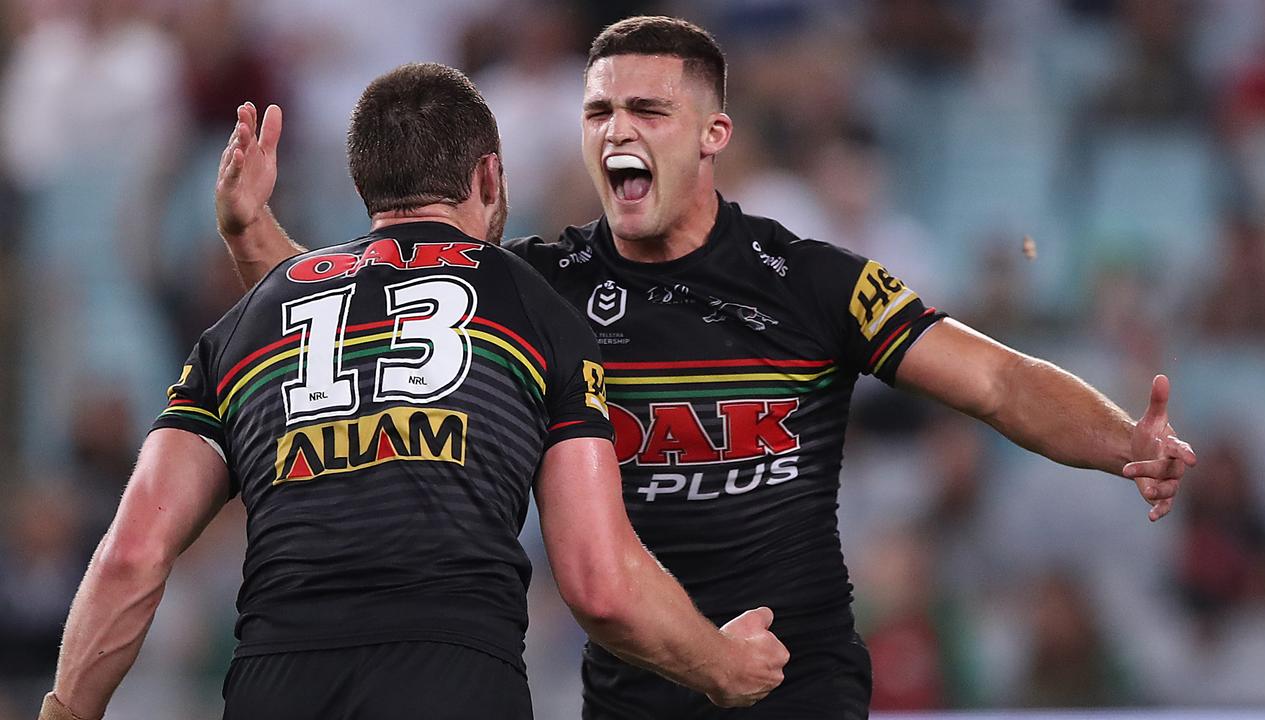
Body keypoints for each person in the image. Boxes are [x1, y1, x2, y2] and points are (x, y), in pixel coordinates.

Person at [216, 17, 1197, 720]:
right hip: (634, 690)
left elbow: (991, 381)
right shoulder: (527, 289)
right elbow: (341, 331)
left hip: (792, 680)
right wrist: (257, 236)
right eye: (598, 110)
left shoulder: (811, 284)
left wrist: (1121, 441)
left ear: (714, 134)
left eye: (647, 108)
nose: (615, 132)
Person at [38, 62, 790, 720]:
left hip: (277, 683)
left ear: (363, 185)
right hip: (454, 679)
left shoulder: (247, 323)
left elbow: (134, 552)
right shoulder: (537, 312)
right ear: (490, 178)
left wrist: (67, 712)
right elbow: (598, 583)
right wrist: (722, 666)